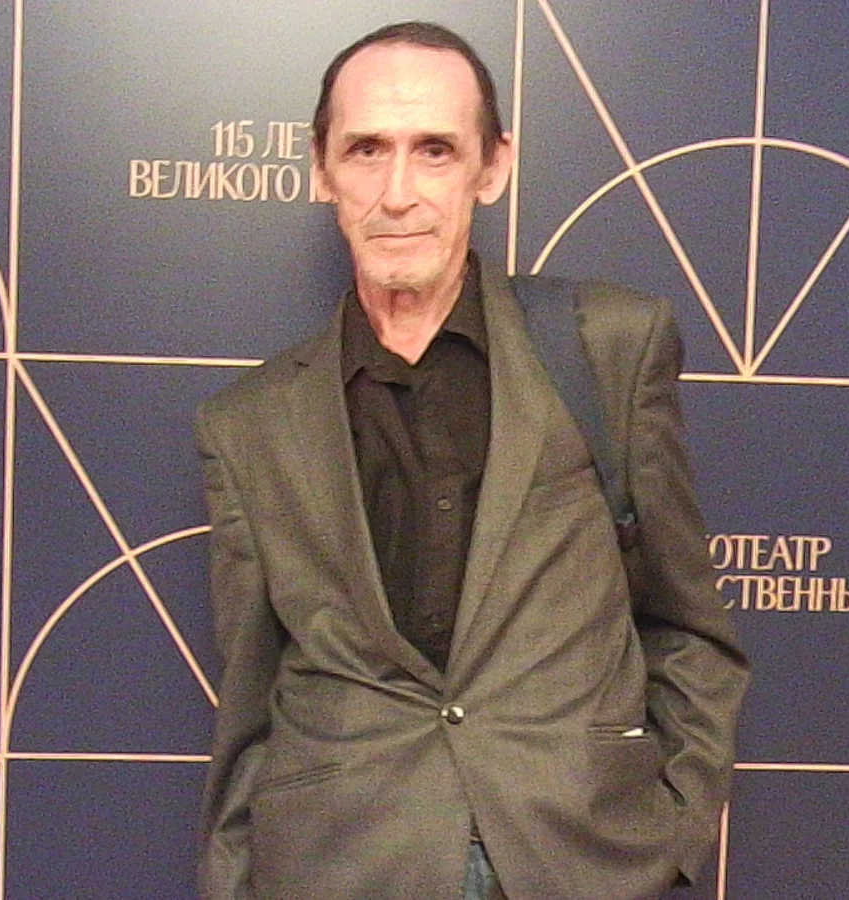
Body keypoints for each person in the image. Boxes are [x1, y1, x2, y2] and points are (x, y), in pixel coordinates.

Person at [196, 21, 748, 900]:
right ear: (321, 169)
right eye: (367, 149)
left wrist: (670, 835)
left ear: (492, 167)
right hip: (339, 866)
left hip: (575, 857)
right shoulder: (249, 425)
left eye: (435, 150)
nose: (398, 193)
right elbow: (249, 708)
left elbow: (688, 629)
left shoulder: (607, 347)